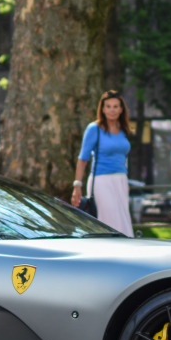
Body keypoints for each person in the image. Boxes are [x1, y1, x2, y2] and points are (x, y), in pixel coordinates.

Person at [71, 90, 133, 236]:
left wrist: (126, 180)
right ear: (103, 109)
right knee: (110, 220)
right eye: (108, 106)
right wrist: (77, 185)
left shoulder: (123, 130)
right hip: (101, 180)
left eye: (116, 106)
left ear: (121, 109)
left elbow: (124, 157)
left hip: (121, 180)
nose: (112, 110)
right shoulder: (94, 129)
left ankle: (126, 252)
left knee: (123, 219)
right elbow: (83, 158)